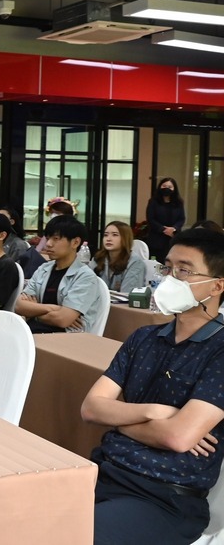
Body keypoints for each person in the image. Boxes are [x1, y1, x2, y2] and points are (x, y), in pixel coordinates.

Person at [81, 228, 224, 545]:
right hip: (103, 472)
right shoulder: (143, 338)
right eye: (167, 267)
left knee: (70, 536)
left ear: (217, 285)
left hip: (165, 498)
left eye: (184, 270)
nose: (170, 278)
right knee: (19, 514)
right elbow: (91, 408)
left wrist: (118, 420)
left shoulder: (219, 350)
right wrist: (155, 412)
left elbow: (177, 437)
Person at [16, 215, 103, 333]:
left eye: (56, 239)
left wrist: (33, 313)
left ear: (75, 242)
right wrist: (54, 308)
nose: (48, 244)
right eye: (48, 238)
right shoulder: (43, 269)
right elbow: (19, 306)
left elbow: (62, 320)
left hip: (66, 337)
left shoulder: (85, 276)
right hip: (35, 331)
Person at [92, 221, 148, 295]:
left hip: (121, 302)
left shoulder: (135, 263)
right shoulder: (98, 258)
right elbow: (86, 285)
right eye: (106, 235)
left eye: (115, 235)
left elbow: (128, 294)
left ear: (125, 238)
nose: (108, 239)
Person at [146, 177, 185, 262]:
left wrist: (174, 229)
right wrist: (164, 229)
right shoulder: (153, 202)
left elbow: (181, 219)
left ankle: (168, 271)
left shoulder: (179, 202)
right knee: (157, 264)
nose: (167, 188)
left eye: (170, 187)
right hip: (156, 238)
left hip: (173, 237)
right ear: (160, 187)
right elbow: (150, 219)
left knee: (170, 261)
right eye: (164, 186)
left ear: (174, 189)